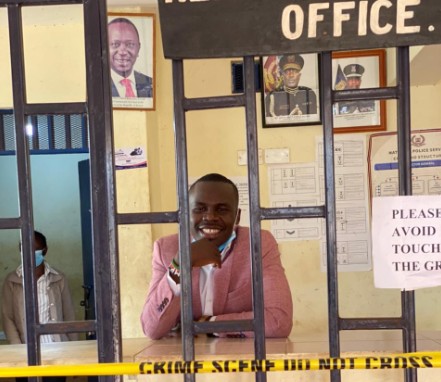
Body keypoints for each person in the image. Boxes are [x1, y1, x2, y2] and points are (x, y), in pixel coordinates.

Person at [141, 173, 293, 339]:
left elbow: (279, 321)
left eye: (222, 210)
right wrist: (180, 265)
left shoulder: (259, 244)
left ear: (237, 217)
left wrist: (208, 324)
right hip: (186, 362)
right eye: (200, 209)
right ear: (186, 215)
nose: (210, 217)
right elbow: (151, 328)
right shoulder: (166, 249)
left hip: (241, 359)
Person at [2, 231, 77, 382]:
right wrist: (18, 349)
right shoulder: (12, 281)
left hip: (56, 349)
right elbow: (7, 318)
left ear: (45, 250)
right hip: (26, 351)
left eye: (34, 250)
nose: (29, 254)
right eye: (24, 249)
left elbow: (69, 316)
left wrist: (73, 352)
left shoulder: (58, 278)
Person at [108, 17, 153, 98]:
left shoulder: (151, 84)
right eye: (115, 44)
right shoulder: (98, 86)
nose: (122, 52)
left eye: (130, 44)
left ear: (138, 48)